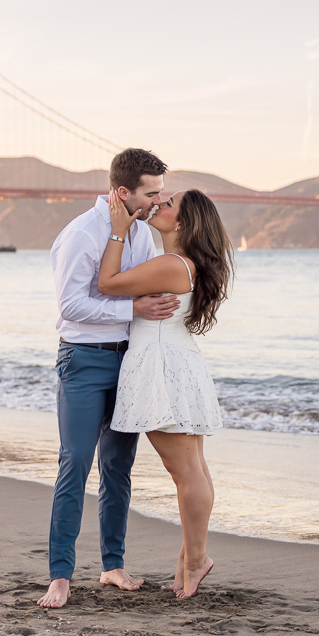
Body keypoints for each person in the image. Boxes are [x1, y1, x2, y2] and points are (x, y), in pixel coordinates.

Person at [38, 148, 179, 609]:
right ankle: (60, 575)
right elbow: (70, 306)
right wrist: (133, 307)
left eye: (161, 191)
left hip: (130, 360)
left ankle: (112, 566)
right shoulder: (81, 233)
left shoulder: (141, 233)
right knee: (75, 463)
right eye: (151, 193)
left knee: (118, 468)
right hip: (83, 360)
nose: (159, 200)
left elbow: (147, 285)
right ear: (123, 192)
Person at [97, 187, 235, 598]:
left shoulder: (172, 264)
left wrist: (120, 230)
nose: (159, 204)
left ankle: (196, 560)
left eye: (169, 203)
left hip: (160, 366)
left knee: (185, 472)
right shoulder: (183, 264)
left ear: (185, 223)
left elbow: (106, 282)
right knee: (195, 468)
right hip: (178, 361)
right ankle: (190, 558)